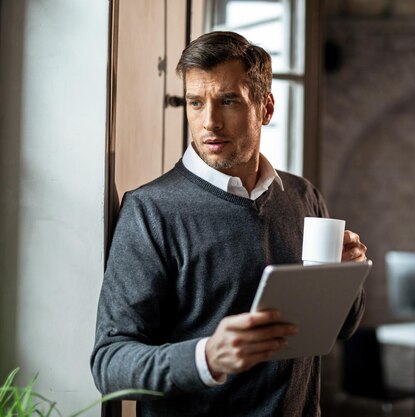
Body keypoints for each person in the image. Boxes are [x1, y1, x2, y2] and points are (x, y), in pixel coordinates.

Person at [91, 31, 367, 417]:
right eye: (195, 102)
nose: (210, 122)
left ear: (266, 108)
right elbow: (109, 364)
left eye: (229, 101)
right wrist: (207, 358)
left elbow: (343, 327)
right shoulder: (150, 211)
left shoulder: (304, 197)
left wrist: (346, 277)